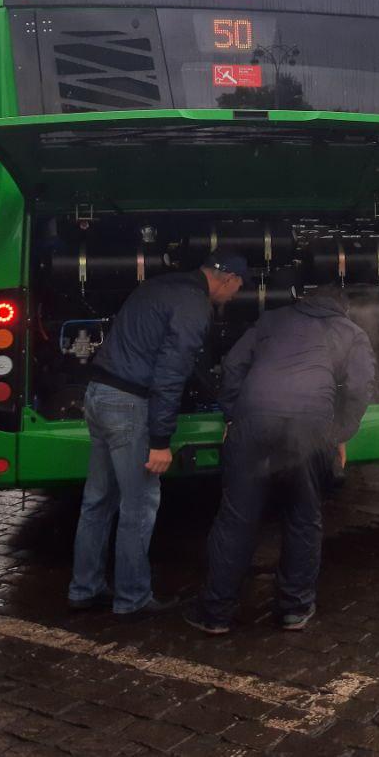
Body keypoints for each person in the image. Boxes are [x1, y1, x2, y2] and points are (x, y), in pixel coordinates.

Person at [185, 285, 376, 634]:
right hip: (308, 427)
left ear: (303, 301)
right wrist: (339, 434)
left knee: (236, 517)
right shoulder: (350, 332)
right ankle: (293, 609)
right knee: (303, 517)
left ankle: (215, 613)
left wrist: (232, 415)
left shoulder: (273, 318)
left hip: (254, 421)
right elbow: (360, 389)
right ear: (342, 308)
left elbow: (232, 365)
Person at [67, 253, 247, 619]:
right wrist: (160, 440)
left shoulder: (159, 286)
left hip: (99, 395)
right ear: (226, 279)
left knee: (97, 500)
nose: (235, 298)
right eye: (238, 289)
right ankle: (132, 598)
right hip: (129, 406)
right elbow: (170, 374)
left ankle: (84, 588)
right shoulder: (194, 305)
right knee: (139, 505)